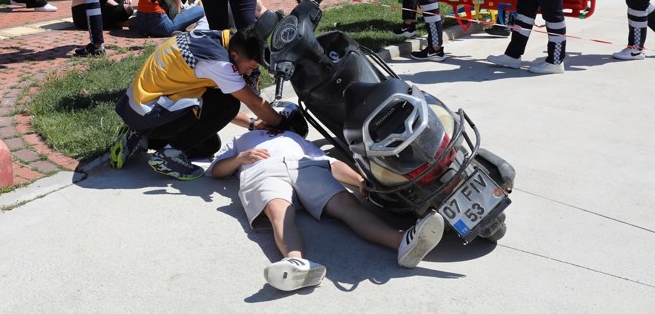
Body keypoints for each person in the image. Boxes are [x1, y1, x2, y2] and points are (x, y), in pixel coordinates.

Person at [207, 119, 445, 292]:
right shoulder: (240, 139)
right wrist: (240, 158)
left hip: (304, 166)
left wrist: (358, 180)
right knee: (278, 212)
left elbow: (328, 162)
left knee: (346, 204)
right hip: (263, 170)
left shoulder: (294, 138)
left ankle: (402, 242)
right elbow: (217, 170)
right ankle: (296, 263)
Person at [110, 25, 303, 179]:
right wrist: (284, 125)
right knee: (229, 103)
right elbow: (252, 102)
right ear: (235, 55)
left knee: (209, 146)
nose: (250, 72)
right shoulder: (220, 64)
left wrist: (253, 124)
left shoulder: (218, 39)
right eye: (250, 67)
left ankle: (141, 137)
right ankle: (167, 157)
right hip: (151, 113)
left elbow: (212, 106)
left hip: (139, 109)